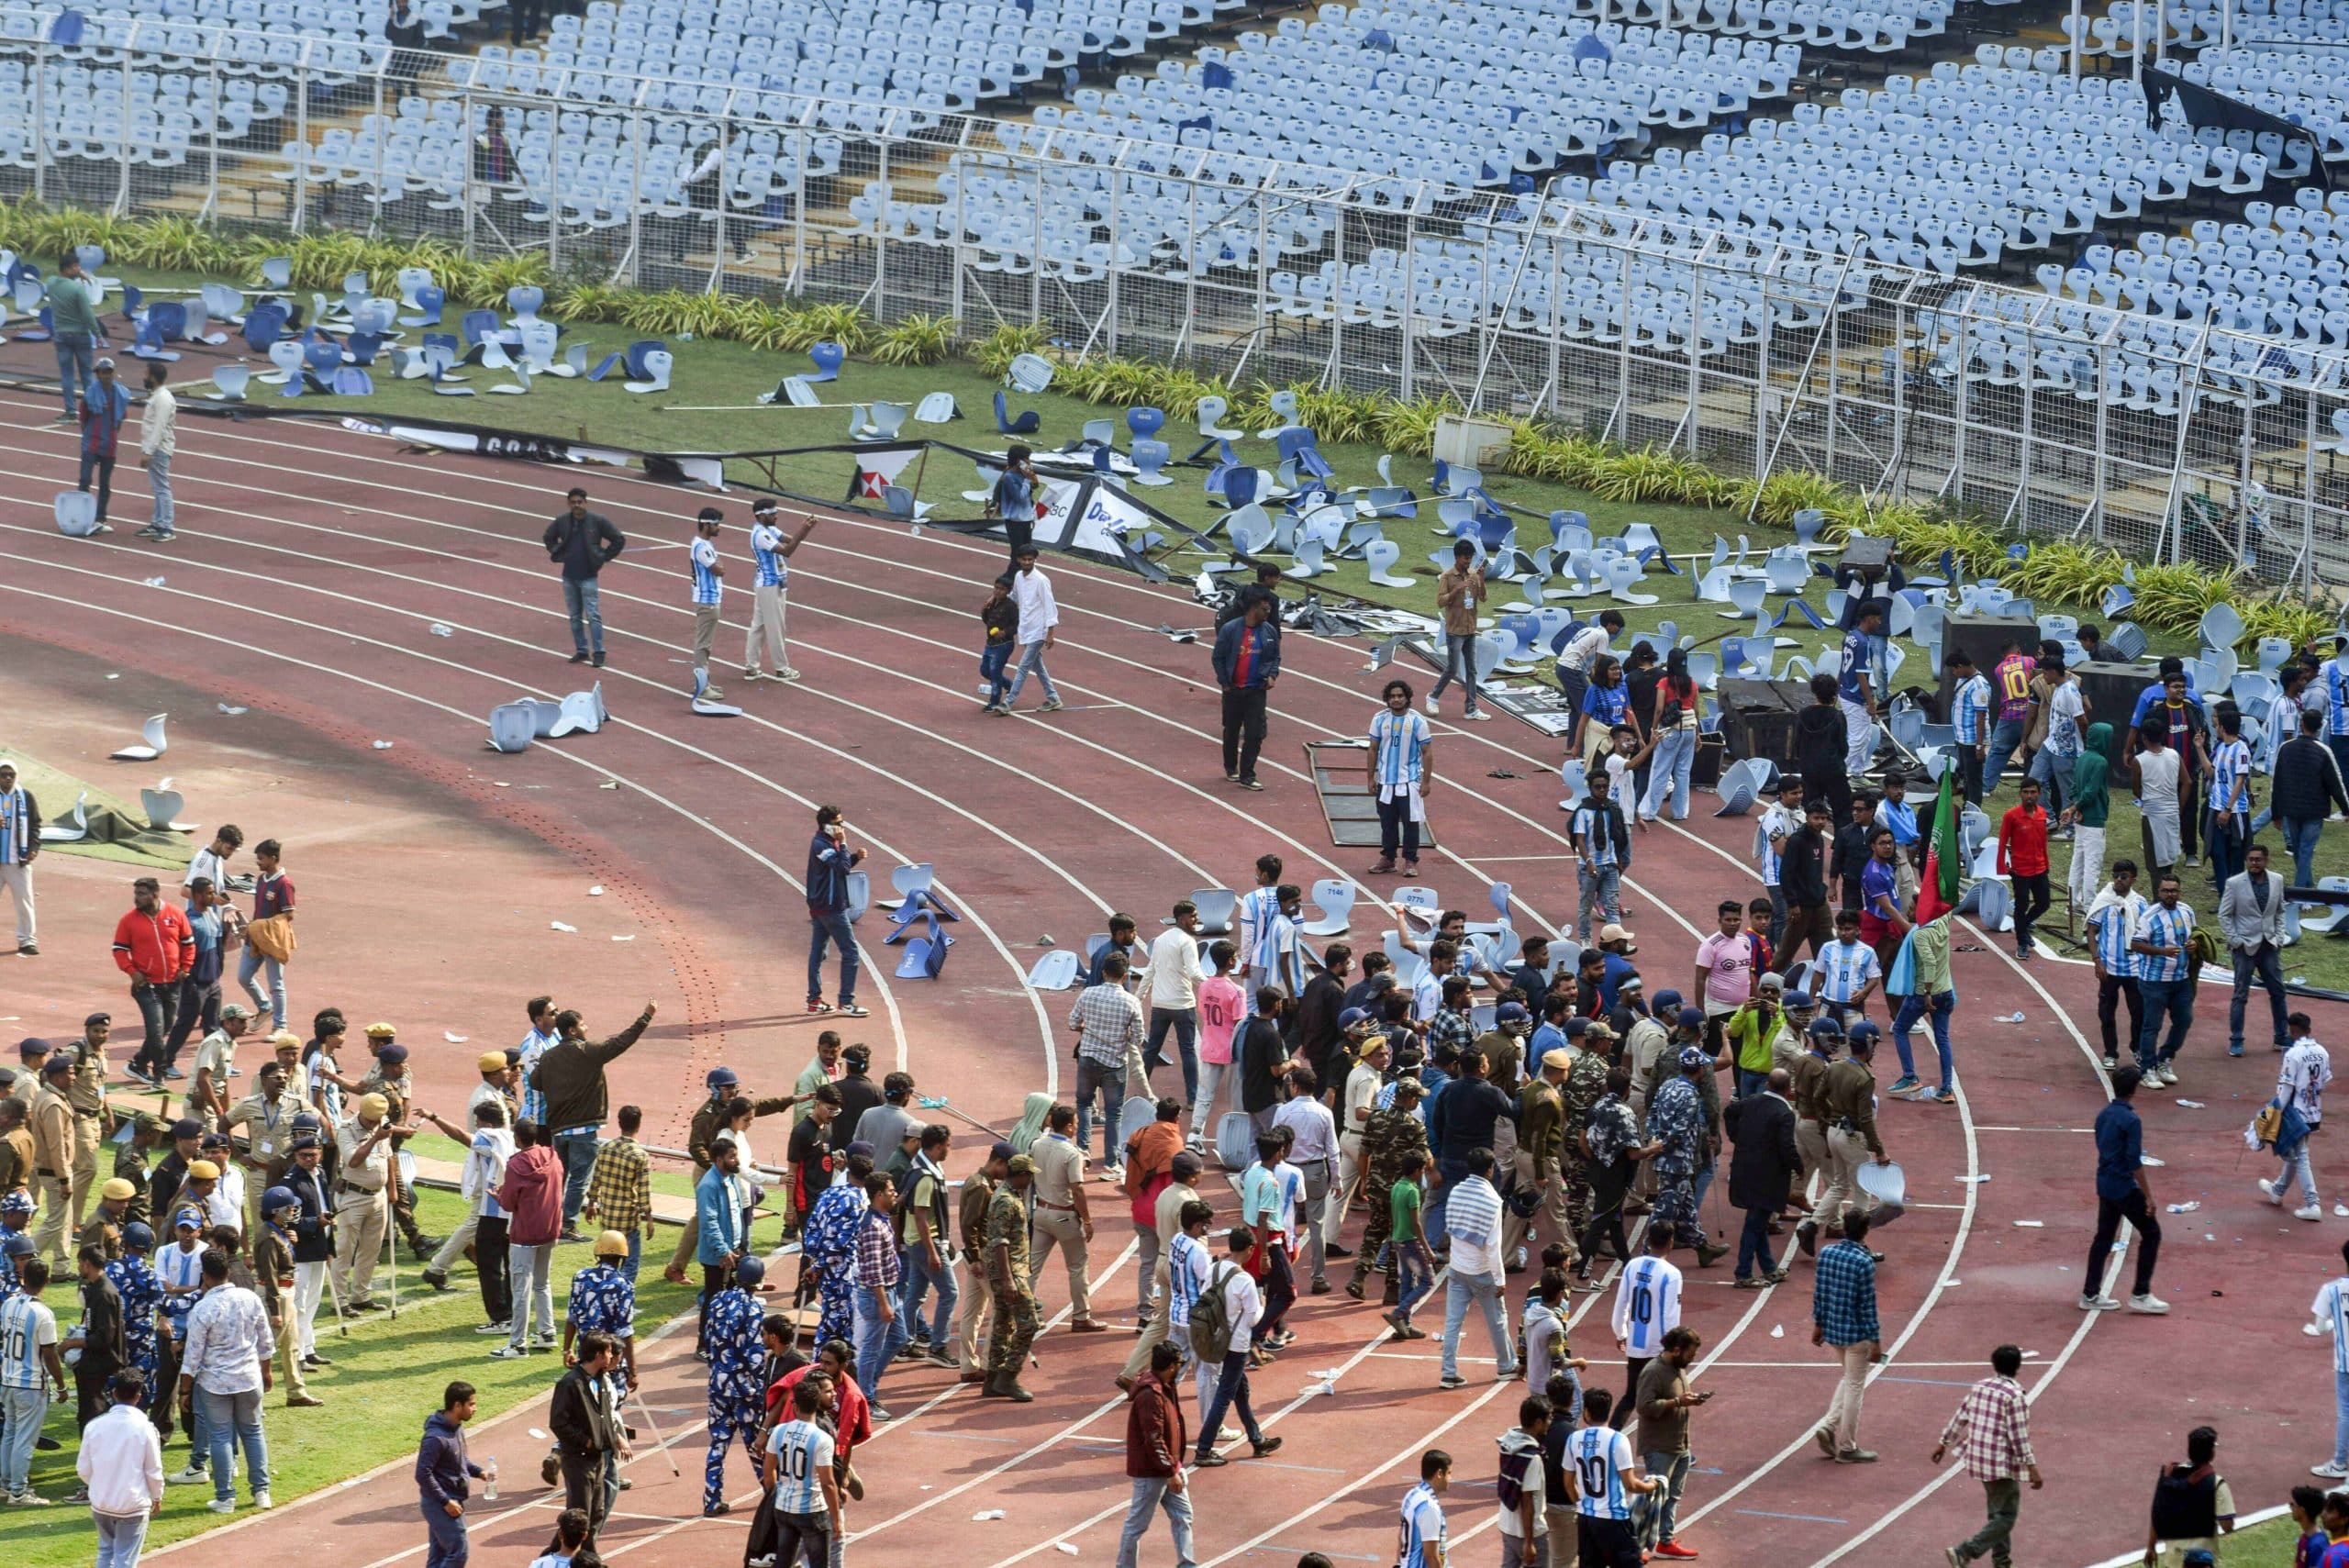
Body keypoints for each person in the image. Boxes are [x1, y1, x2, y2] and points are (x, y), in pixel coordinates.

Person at [530, 999, 656, 1236]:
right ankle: (567, 1225)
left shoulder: (549, 1057)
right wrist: (646, 1017)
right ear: (572, 1030)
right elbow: (622, 1042)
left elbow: (535, 1082)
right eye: (583, 1024)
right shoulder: (589, 1052)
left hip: (558, 1130)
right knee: (579, 1179)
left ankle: (551, 1220)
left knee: (559, 1177)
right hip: (583, 1130)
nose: (586, 1028)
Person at [178, 1247, 273, 1513]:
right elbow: (266, 1341)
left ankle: (225, 1497)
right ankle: (261, 1492)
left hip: (215, 1383)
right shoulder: (249, 1298)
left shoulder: (203, 1308)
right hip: (248, 1378)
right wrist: (266, 1372)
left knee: (220, 1438)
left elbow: (192, 1356)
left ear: (205, 1276)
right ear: (228, 1272)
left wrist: (184, 1391)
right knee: (253, 1432)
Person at [1932, 1343, 2041, 1568]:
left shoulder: (1979, 1387)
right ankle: (1965, 1551)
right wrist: (2032, 1466)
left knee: (1997, 1514)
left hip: (1977, 1458)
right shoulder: (2015, 1395)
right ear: (2018, 1367)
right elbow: (2018, 1435)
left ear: (1994, 1364)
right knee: (2007, 1516)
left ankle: (2001, 1562)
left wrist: (1944, 1442)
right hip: (1999, 1463)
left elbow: (1961, 1416)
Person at [1190, 1227, 1281, 1466]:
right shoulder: (1244, 1280)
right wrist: (1262, 1304)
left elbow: (1204, 1295)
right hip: (1236, 1343)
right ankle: (1203, 1449)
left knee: (1241, 1390)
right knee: (1224, 1396)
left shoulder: (1214, 1269)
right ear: (1250, 1249)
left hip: (1215, 1336)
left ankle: (1257, 1439)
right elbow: (1253, 1318)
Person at [2083, 1066, 2165, 1315]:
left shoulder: (2103, 1115)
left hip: (2104, 1182)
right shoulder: (2131, 1120)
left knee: (2103, 1238)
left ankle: (2090, 1293)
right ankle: (2141, 1292)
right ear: (2134, 1090)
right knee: (2151, 1233)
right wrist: (2148, 1196)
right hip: (2123, 1187)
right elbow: (2134, 1162)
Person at [1809, 1208, 1880, 1464]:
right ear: (1865, 1231)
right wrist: (1876, 1341)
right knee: (1855, 1387)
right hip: (1856, 1335)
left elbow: (1820, 1292)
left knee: (1850, 1378)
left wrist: (1818, 1324)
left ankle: (1829, 1426)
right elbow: (1867, 1306)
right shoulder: (1864, 1262)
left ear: (1843, 1227)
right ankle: (1848, 1447)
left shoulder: (1827, 1253)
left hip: (1833, 1330)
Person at [1116, 1340, 1194, 1568]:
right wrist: (1170, 1471)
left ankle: (1187, 1562)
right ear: (1171, 1366)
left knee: (1183, 1515)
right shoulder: (1151, 1396)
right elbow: (1154, 1439)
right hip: (1152, 1472)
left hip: (1169, 1467)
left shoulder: (1165, 1387)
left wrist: (1174, 1467)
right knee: (1136, 1525)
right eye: (1179, 1364)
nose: (1181, 1367)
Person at [114, 877, 195, 1089]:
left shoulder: (175, 914)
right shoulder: (128, 921)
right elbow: (119, 950)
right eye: (136, 894)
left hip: (173, 984)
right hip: (146, 987)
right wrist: (132, 972)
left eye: (141, 894)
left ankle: (139, 1064)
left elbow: (188, 943)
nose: (136, 898)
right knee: (157, 1030)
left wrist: (186, 968)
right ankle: (159, 1075)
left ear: (155, 894)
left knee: (164, 1027)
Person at [1563, 1390, 1657, 1568]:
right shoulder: (1618, 1439)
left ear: (1587, 1412)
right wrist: (1651, 1486)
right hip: (1613, 1518)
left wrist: (1582, 1506)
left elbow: (1568, 1484)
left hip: (1586, 1519)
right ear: (1608, 1411)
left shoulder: (1573, 1439)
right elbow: (1631, 1484)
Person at [493, 1118, 563, 1356]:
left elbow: (508, 1203)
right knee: (542, 1283)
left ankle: (517, 1344)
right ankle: (547, 1333)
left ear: (517, 1138)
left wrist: (499, 1196)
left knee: (521, 1289)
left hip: (524, 1234)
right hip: (550, 1229)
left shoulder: (516, 1165)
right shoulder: (553, 1157)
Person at [548, 1333, 627, 1546]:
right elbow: (558, 1423)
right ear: (598, 1355)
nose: (612, 1357)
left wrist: (613, 1436)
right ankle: (554, 1556)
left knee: (596, 1513)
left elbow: (604, 1415)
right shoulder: (570, 1384)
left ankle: (588, 1556)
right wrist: (586, 1442)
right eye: (609, 1352)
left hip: (598, 1458)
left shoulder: (601, 1380)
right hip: (578, 1459)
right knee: (578, 1516)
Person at [1634, 1327, 1707, 1559]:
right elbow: (1644, 1406)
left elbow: (1678, 1399)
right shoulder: (1653, 1371)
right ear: (1676, 1350)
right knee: (1653, 1497)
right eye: (1690, 1354)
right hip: (1659, 1446)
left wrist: (1691, 1400)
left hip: (1680, 1443)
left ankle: (1665, 1541)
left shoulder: (1678, 1368)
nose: (1692, 1359)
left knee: (1673, 1496)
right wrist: (1677, 1402)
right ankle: (1638, 1546)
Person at [702, 1252, 766, 1515]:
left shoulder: (718, 1300)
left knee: (718, 1443)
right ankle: (773, 1495)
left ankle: (711, 1499)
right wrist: (762, 1385)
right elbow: (755, 1355)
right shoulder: (754, 1309)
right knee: (756, 1444)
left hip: (718, 1384)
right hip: (744, 1390)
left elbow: (708, 1339)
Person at [1722, 1067, 1798, 1288]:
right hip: (1768, 1176)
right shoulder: (1785, 1113)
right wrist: (1798, 1165)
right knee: (1754, 1223)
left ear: (1767, 1084)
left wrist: (1736, 1136)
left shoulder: (1751, 1101)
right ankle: (1744, 1272)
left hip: (1745, 1169)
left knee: (1759, 1220)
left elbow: (1729, 1112)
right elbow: (1786, 1146)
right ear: (1788, 1089)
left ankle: (1769, 1268)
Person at [81, 1370, 162, 1568]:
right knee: (125, 1558)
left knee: (105, 1552)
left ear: (114, 1393)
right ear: (138, 1396)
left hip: (102, 1503)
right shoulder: (146, 1429)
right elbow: (153, 1469)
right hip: (133, 1504)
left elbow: (83, 1468)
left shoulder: (94, 1426)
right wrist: (157, 1496)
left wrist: (99, 1486)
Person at [1, 1257, 63, 1504]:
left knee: (9, 1434)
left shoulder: (8, 1304)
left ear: (23, 1278)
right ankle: (18, 1491)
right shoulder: (43, 1314)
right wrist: (61, 1385)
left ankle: (4, 1485)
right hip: (30, 1386)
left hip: (7, 1381)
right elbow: (50, 1354)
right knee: (24, 1440)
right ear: (46, 1281)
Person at [2220, 842, 2291, 1059]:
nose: (2254, 863)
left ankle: (2281, 1037)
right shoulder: (2234, 883)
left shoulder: (2277, 880)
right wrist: (2236, 940)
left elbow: (2280, 910)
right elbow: (2224, 915)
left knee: (2278, 992)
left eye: (2258, 859)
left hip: (2269, 946)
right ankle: (2236, 1040)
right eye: (2250, 859)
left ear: (2266, 860)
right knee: (2240, 995)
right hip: (2244, 948)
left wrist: (2279, 937)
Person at [763, 1378, 842, 1568]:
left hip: (784, 1507)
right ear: (817, 1404)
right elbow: (827, 1483)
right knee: (819, 1564)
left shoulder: (779, 1431)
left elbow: (768, 1471)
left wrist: (777, 1495)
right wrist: (836, 1520)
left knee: (783, 1561)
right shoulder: (822, 1439)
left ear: (795, 1406)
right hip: (812, 1510)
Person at [1609, 1223, 1682, 1431]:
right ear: (1671, 1242)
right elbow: (1671, 1316)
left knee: (1631, 1396)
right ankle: (1667, 1442)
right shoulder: (1671, 1274)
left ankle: (1612, 1434)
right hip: (1659, 1349)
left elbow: (1621, 1303)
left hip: (1635, 1345)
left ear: (1648, 1240)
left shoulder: (1632, 1266)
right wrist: (1672, 1349)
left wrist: (1620, 1332)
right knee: (1668, 1397)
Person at [541, 489, 625, 668]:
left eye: (580, 502)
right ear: (568, 504)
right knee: (574, 616)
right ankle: (581, 650)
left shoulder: (597, 521)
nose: (577, 505)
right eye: (573, 502)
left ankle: (599, 652)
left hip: (588, 576)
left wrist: (604, 556)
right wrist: (557, 551)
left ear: (586, 503)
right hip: (569, 576)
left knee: (593, 615)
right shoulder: (563, 521)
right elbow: (548, 537)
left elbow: (618, 539)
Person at [983, 1153, 1041, 1402]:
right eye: (1030, 1176)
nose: (1031, 1180)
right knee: (1029, 1323)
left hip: (1011, 1270)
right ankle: (1008, 1376)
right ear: (1022, 1175)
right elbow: (999, 1241)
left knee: (1004, 1323)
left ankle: (993, 1378)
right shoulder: (1006, 1200)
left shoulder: (1010, 1194)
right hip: (1010, 1272)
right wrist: (1008, 1280)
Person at [2130, 875, 2195, 1086]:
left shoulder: (2186, 911)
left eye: (2174, 890)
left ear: (2180, 892)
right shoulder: (2150, 916)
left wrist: (2193, 944)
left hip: (2181, 979)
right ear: (2159, 893)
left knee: (2184, 1020)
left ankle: (2165, 1059)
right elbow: (2136, 944)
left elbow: (2192, 935)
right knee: (2152, 1026)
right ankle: (2147, 1069)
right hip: (2154, 981)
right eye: (2165, 891)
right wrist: (2162, 951)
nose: (2170, 894)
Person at [804, 806, 868, 1020]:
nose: (842, 826)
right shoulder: (821, 845)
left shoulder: (828, 843)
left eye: (842, 822)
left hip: (821, 905)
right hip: (830, 907)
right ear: (827, 825)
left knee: (818, 952)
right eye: (838, 823)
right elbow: (842, 868)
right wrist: (845, 843)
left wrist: (855, 857)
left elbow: (841, 865)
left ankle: (814, 1001)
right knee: (851, 952)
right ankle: (846, 1002)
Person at [1213, 593, 1282, 790]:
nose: (1268, 613)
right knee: (1231, 731)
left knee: (1255, 733)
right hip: (1233, 690)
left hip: (1256, 690)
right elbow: (1218, 657)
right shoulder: (1230, 629)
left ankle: (1247, 774)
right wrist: (1224, 682)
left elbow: (1275, 658)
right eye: (1265, 609)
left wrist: (1272, 675)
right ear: (1253, 608)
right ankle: (1230, 767)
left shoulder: (1269, 631)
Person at [1888, 912, 1958, 1106]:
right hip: (1946, 992)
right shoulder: (1942, 921)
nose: (1908, 911)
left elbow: (1930, 962)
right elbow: (1950, 903)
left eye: (1912, 906)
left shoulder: (1920, 934)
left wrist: (1927, 992)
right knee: (1942, 1038)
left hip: (1922, 994)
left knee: (1899, 1029)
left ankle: (1910, 1076)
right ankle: (1946, 1089)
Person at [416, 1380, 487, 1568]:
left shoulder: (457, 1428)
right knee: (458, 1553)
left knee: (438, 1556)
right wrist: (445, 1502)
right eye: (471, 1404)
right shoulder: (435, 1438)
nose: (475, 1408)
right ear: (457, 1405)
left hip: (451, 1500)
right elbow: (422, 1473)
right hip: (440, 1504)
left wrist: (479, 1472)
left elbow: (459, 1460)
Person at [1368, 678, 1436, 876]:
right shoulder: (1379, 719)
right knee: (1387, 823)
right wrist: (1370, 778)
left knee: (1411, 823)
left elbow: (1427, 752)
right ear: (1387, 699)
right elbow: (1372, 749)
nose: (1396, 699)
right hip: (1385, 783)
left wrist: (1426, 782)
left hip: (1409, 782)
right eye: (1392, 696)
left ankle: (1410, 860)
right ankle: (1388, 859)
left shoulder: (1417, 721)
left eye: (1400, 696)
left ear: (1407, 698)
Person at [2268, 1016, 2332, 1221]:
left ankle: (2313, 1204)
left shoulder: (2293, 1054)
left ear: (2293, 1030)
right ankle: (2277, 1190)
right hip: (2314, 1111)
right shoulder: (2322, 1051)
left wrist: (2275, 1112)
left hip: (2296, 1113)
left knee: (2301, 1156)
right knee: (2297, 1153)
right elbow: (2324, 1082)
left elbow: (2287, 1089)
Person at [743, 499, 815, 683]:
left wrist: (805, 530)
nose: (776, 516)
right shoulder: (761, 535)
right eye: (772, 513)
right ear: (760, 515)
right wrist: (804, 529)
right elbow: (787, 550)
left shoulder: (770, 530)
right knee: (776, 628)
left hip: (769, 584)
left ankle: (751, 667)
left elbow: (791, 540)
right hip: (770, 584)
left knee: (758, 626)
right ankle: (781, 669)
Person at [2145, 1426, 2234, 1566]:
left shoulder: (2170, 1478)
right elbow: (2227, 1526)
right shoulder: (2216, 1483)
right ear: (2212, 1453)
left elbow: (2157, 1515)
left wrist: (2151, 1547)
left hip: (2174, 1560)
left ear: (2190, 1450)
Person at [1427, 540, 1489, 721]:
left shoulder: (1474, 575)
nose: (1468, 562)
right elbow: (1440, 602)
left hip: (1470, 629)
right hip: (1454, 631)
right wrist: (1457, 589)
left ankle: (1471, 708)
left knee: (1472, 670)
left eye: (1470, 559)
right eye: (1465, 559)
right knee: (1453, 668)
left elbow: (1484, 598)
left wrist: (1481, 579)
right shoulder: (1447, 577)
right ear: (1457, 557)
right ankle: (1433, 696)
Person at [237, 838, 295, 1034]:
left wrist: (260, 927)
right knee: (244, 977)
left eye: (261, 858)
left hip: (272, 941)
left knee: (276, 985)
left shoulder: (284, 883)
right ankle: (264, 1006)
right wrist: (252, 929)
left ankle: (280, 1026)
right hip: (254, 939)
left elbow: (289, 914)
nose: (258, 862)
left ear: (273, 858)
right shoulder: (261, 879)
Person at [2063, 722, 2118, 927]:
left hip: (2082, 819)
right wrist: (2077, 807)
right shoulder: (2101, 762)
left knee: (2078, 861)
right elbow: (2091, 792)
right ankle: (2089, 906)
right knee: (2092, 865)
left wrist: (2075, 807)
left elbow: (2075, 787)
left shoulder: (2083, 757)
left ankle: (2072, 902)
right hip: (2094, 820)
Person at [999, 545, 1064, 714]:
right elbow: (1014, 597)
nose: (1027, 562)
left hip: (1038, 630)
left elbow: (1050, 606)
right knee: (1038, 667)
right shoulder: (1018, 577)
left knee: (1023, 667)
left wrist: (1050, 633)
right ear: (1019, 560)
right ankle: (1053, 698)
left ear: (1035, 560)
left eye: (1030, 559)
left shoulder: (1041, 580)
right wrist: (996, 598)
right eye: (1024, 559)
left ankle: (1008, 702)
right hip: (1026, 628)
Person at [1996, 777, 2053, 960]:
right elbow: (2002, 841)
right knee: (2022, 905)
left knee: (2044, 903)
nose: (2029, 796)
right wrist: (2002, 866)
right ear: (2020, 794)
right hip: (2020, 870)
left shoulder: (2042, 813)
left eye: (2033, 792)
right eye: (2026, 792)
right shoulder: (2011, 816)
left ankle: (2022, 925)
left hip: (2040, 868)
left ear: (2039, 794)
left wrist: (2047, 863)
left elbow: (2043, 842)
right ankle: (2021, 943)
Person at [1572, 769, 1627, 942]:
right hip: (1589, 868)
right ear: (1590, 788)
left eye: (1605, 786)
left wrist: (1619, 860)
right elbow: (1580, 839)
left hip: (1610, 865)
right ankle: (1585, 940)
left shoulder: (1613, 809)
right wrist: (1589, 861)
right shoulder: (1583, 811)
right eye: (1598, 787)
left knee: (1612, 906)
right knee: (1586, 907)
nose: (1602, 790)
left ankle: (1616, 942)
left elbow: (1619, 836)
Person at [45, 250, 101, 422]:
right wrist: (98, 334)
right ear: (68, 269)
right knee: (86, 375)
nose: (79, 269)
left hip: (61, 335)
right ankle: (91, 410)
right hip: (81, 335)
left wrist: (78, 275)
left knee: (67, 375)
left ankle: (70, 411)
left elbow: (56, 279)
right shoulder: (77, 289)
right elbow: (88, 315)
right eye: (76, 267)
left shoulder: (51, 283)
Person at [1496, 1396, 1552, 1568]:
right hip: (1529, 1533)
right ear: (1538, 1423)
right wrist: (1529, 1542)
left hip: (1507, 1526)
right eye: (1548, 1419)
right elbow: (1527, 1500)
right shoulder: (1533, 1458)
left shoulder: (1506, 1445)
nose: (1550, 1423)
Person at [75, 356, 128, 523]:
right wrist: (89, 437)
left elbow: (120, 419)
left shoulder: (121, 395)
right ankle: (82, 515)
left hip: (109, 445)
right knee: (85, 480)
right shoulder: (90, 394)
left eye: (108, 371)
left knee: (104, 484)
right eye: (102, 372)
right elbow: (83, 419)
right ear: (97, 374)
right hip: (91, 444)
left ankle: (100, 517)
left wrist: (111, 435)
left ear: (113, 373)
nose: (106, 375)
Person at [2205, 707, 2254, 890]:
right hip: (2216, 807)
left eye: (2217, 724)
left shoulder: (2241, 749)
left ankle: (2237, 895)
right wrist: (2199, 748)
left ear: (2222, 727)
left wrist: (2228, 808)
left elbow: (2240, 780)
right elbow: (2211, 773)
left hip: (2234, 811)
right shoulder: (2221, 748)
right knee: (2218, 853)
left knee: (2236, 854)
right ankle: (2223, 895)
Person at [685, 506, 728, 697]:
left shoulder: (704, 544)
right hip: (707, 599)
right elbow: (719, 569)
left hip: (710, 598)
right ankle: (702, 687)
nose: (719, 528)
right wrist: (720, 566)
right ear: (706, 525)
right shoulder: (701, 547)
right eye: (716, 524)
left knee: (705, 645)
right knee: (703, 645)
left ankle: (704, 682)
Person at [135, 362, 177, 543]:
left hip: (159, 449)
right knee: (158, 487)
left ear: (152, 377)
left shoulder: (162, 398)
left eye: (146, 374)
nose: (143, 377)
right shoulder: (158, 396)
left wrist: (148, 452)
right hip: (156, 448)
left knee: (161, 488)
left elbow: (159, 427)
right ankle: (158, 523)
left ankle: (167, 527)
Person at [0, 759, 37, 957]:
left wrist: (34, 848)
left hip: (17, 861)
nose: (7, 778)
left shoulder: (25, 797)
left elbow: (36, 824)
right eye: (3, 775)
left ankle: (27, 940)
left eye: (11, 775)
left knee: (24, 902)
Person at [976, 573, 1019, 713]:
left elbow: (1017, 625)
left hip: (1003, 645)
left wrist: (1005, 632)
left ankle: (994, 702)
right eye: (996, 588)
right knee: (985, 670)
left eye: (1001, 589)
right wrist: (984, 611)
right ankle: (1010, 685)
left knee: (995, 672)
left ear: (1008, 591)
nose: (998, 591)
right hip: (990, 643)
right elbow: (987, 621)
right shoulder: (992, 603)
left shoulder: (1011, 606)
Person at [991, 444, 1041, 562]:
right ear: (1019, 461)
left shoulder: (1023, 473)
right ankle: (1013, 571)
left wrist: (1030, 476)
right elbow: (1019, 497)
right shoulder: (1008, 476)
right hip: (1015, 521)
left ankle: (1019, 571)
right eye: (1026, 458)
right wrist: (1027, 479)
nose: (1029, 462)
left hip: (1025, 519)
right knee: (1018, 553)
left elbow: (1035, 486)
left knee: (1027, 551)